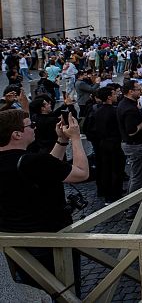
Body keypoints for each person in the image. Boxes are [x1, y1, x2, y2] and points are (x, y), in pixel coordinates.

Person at [0, 110, 89, 293]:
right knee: (66, 293)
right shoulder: (33, 162)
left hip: (15, 244)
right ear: (16, 134)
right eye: (30, 125)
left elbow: (49, 167)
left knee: (38, 293)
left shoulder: (28, 162)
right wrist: (75, 138)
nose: (34, 127)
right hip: (51, 241)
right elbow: (82, 172)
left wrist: (61, 141)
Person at [117, 80, 142, 196]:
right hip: (136, 145)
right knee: (138, 177)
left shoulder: (126, 104)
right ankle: (133, 206)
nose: (140, 91)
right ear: (130, 92)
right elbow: (132, 131)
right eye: (138, 89)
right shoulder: (129, 109)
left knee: (136, 175)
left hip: (132, 144)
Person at [89, 86, 126, 203]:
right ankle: (115, 193)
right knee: (116, 169)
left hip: (102, 143)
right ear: (109, 97)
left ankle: (106, 192)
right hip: (114, 143)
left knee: (105, 168)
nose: (116, 96)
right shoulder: (115, 111)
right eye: (114, 94)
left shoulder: (96, 111)